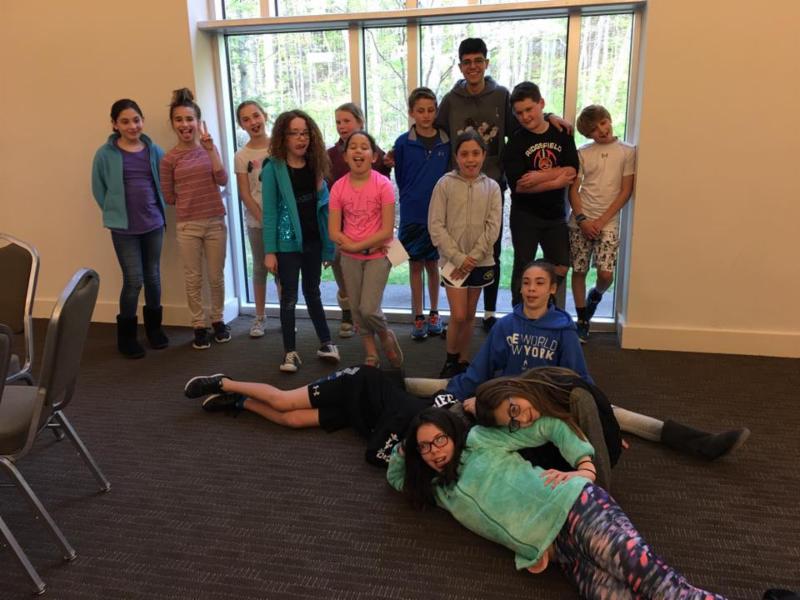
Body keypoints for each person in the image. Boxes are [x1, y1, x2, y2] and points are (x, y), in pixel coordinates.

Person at [406, 259, 751, 461]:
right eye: (526, 283)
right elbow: (479, 371)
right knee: (441, 387)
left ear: (552, 289)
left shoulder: (564, 330)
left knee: (622, 416)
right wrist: (453, 395)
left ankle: (703, 443)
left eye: (539, 283)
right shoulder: (506, 326)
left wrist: (601, 425)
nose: (531, 289)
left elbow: (580, 379)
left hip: (549, 402)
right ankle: (394, 380)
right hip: (508, 400)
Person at [387, 406, 727, 599]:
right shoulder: (439, 491)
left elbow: (549, 425)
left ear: (453, 434)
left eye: (440, 440)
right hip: (561, 554)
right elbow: (396, 477)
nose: (435, 452)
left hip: (575, 507)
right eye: (425, 447)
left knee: (657, 583)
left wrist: (584, 464)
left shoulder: (479, 440)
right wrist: (406, 445)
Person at [435, 38, 571, 331]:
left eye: (478, 61)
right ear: (460, 66)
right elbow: (434, 129)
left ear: (486, 63)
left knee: (490, 251)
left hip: (492, 185)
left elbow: (525, 122)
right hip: (458, 185)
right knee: (457, 245)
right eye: (467, 62)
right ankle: (461, 313)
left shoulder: (501, 95)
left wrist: (549, 116)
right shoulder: (450, 100)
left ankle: (488, 312)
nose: (473, 67)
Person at [182, 367, 460, 468]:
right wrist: (408, 454)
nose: (434, 450)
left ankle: (239, 402)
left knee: (291, 421)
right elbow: (374, 455)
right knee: (284, 401)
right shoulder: (402, 423)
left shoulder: (439, 419)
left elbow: (450, 402)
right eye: (433, 443)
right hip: (357, 383)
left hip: (359, 413)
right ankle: (224, 383)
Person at [262, 110, 340, 373]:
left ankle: (326, 343)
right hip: (286, 245)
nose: (300, 138)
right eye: (294, 133)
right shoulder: (273, 168)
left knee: (313, 292)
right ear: (283, 137)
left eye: (305, 133)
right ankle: (290, 352)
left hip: (313, 241)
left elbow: (324, 210)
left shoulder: (315, 164)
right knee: (289, 297)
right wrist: (270, 251)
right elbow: (270, 213)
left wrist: (328, 248)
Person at [92, 99, 168, 358]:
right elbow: (99, 189)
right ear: (115, 125)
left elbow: (165, 182)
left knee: (153, 277)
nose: (132, 126)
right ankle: (127, 337)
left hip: (153, 224)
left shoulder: (154, 150)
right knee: (134, 280)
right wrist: (114, 211)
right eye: (125, 121)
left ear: (142, 121)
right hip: (124, 229)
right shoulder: (105, 154)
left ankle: (154, 329)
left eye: (136, 120)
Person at [160, 88, 230, 350]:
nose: (185, 124)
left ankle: (218, 320)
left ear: (198, 122)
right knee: (193, 278)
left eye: (189, 119)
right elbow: (168, 196)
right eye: (179, 119)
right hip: (188, 225)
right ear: (173, 124)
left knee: (216, 276)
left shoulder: (209, 149)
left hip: (215, 222)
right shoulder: (168, 159)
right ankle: (198, 325)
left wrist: (211, 151)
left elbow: (222, 179)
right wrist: (190, 198)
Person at [428, 131, 501, 378]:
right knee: (458, 315)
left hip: (481, 261)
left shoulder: (492, 187)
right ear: (456, 157)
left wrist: (474, 257)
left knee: (470, 315)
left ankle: (464, 359)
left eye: (476, 153)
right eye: (465, 154)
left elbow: (493, 227)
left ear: (484, 155)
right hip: (453, 262)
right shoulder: (444, 184)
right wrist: (459, 258)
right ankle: (450, 359)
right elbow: (436, 225)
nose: (470, 159)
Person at [328, 131, 403, 368]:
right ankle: (371, 353)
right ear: (345, 156)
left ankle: (385, 335)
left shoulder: (383, 184)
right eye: (353, 147)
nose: (358, 151)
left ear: (374, 156)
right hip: (349, 257)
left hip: (380, 254)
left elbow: (387, 231)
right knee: (357, 311)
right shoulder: (338, 187)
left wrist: (356, 245)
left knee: (369, 309)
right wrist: (347, 245)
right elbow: (333, 230)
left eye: (364, 147)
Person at [503, 81, 578, 307]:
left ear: (541, 104)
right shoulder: (515, 141)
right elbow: (520, 186)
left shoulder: (562, 133)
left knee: (561, 264)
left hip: (555, 215)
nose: (525, 117)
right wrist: (556, 180)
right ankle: (519, 313)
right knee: (523, 266)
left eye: (529, 109)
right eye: (519, 113)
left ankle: (544, 306)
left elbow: (572, 171)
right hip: (525, 215)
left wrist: (540, 177)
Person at [569, 104, 635, 342]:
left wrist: (601, 221)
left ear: (609, 119)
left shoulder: (627, 151)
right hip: (581, 222)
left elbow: (626, 191)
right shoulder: (583, 152)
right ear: (589, 135)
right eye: (595, 130)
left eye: (603, 123)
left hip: (607, 223)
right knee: (579, 270)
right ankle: (582, 319)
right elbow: (574, 190)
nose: (602, 130)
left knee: (606, 274)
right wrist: (582, 220)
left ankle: (595, 296)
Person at [326, 103, 392, 339]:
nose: (342, 126)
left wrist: (378, 240)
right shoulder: (331, 157)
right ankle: (350, 317)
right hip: (344, 234)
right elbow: (328, 199)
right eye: (338, 122)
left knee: (369, 304)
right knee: (350, 291)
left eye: (347, 121)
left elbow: (386, 213)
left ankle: (379, 328)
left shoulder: (377, 158)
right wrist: (346, 242)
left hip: (377, 240)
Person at [392, 87, 450, 341]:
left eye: (430, 110)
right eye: (420, 111)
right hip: (412, 214)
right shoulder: (402, 143)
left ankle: (435, 313)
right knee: (415, 264)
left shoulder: (447, 141)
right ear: (411, 113)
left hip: (439, 215)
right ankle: (418, 315)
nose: (426, 115)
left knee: (434, 265)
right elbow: (401, 177)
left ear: (436, 111)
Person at [234, 99, 279, 338]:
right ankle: (259, 317)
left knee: (283, 269)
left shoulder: (279, 147)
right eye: (246, 119)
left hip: (282, 220)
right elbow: (245, 193)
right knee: (261, 267)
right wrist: (263, 220)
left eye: (256, 116)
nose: (253, 122)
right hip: (257, 221)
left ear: (265, 115)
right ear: (241, 125)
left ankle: (287, 315)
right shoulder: (241, 156)